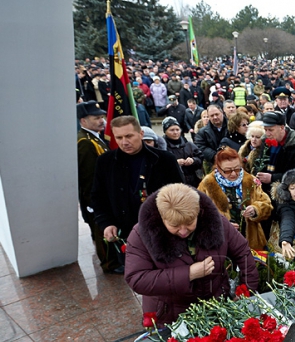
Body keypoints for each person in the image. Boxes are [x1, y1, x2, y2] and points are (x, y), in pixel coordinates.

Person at [124, 183, 259, 326]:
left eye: (189, 223)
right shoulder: (140, 234)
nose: (183, 231)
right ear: (162, 217)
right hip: (171, 315)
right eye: (175, 225)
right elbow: (137, 279)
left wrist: (246, 293)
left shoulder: (217, 222)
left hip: (217, 306)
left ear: (198, 213)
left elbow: (242, 253)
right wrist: (189, 273)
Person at [91, 115, 184, 274]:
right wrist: (106, 223)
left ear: (141, 134)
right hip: (127, 236)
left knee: (170, 277)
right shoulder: (105, 162)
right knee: (143, 281)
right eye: (119, 137)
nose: (124, 142)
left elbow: (182, 195)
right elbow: (98, 198)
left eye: (129, 136)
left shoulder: (164, 160)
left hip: (163, 235)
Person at [198, 147, 272, 252]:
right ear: (218, 168)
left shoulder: (250, 180)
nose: (233, 174)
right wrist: (221, 225)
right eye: (227, 171)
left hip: (251, 241)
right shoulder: (207, 184)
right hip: (221, 243)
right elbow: (199, 213)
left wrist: (256, 209)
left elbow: (267, 204)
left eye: (237, 169)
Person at [76, 101, 115, 272]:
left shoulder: (95, 137)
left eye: (102, 117)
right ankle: (109, 264)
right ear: (83, 121)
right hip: (96, 197)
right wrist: (92, 202)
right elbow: (88, 176)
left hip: (105, 193)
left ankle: (115, 260)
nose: (102, 121)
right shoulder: (85, 142)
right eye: (96, 118)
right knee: (101, 232)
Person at [163, 117, 203, 187]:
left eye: (177, 130)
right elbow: (160, 166)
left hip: (193, 182)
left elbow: (200, 158)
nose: (175, 132)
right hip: (173, 184)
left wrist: (193, 160)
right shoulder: (163, 147)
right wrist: (174, 163)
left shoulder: (189, 145)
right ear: (165, 131)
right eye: (171, 130)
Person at [195, 104, 228, 173]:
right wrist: (215, 156)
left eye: (217, 114)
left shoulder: (232, 127)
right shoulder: (202, 132)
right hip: (213, 164)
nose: (215, 117)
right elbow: (201, 147)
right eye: (212, 116)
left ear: (222, 113)